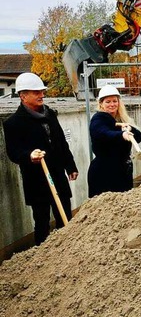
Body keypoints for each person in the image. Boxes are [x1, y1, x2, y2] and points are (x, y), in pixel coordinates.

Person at [3, 72, 79, 245]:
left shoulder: (50, 114)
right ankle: (43, 258)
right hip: (36, 181)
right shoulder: (13, 123)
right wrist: (29, 155)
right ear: (23, 96)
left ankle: (68, 251)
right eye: (36, 92)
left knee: (65, 217)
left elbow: (61, 143)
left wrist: (71, 166)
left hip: (58, 176)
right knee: (42, 222)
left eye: (42, 91)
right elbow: (13, 152)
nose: (42, 95)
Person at [88, 85, 141, 197]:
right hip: (104, 172)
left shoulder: (121, 119)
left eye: (114, 101)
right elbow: (104, 133)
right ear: (101, 104)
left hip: (122, 171)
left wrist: (130, 129)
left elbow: (138, 137)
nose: (112, 104)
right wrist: (122, 135)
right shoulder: (98, 119)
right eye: (108, 102)